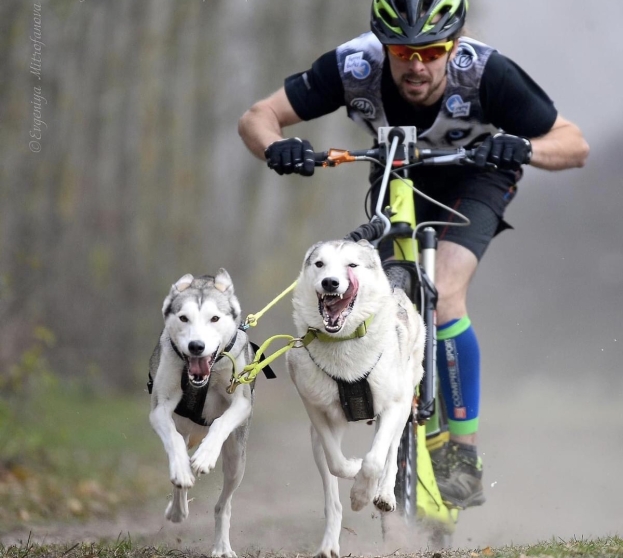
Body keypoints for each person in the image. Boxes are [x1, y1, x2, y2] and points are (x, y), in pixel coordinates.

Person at [238, 0, 589, 509]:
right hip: (395, 172)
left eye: (432, 51)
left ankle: (463, 454)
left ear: (454, 44)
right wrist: (276, 147)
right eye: (403, 52)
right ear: (384, 46)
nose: (417, 66)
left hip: (478, 174)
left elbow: (573, 144)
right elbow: (258, 117)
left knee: (443, 294)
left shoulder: (488, 73)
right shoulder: (352, 65)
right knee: (376, 299)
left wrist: (524, 147)